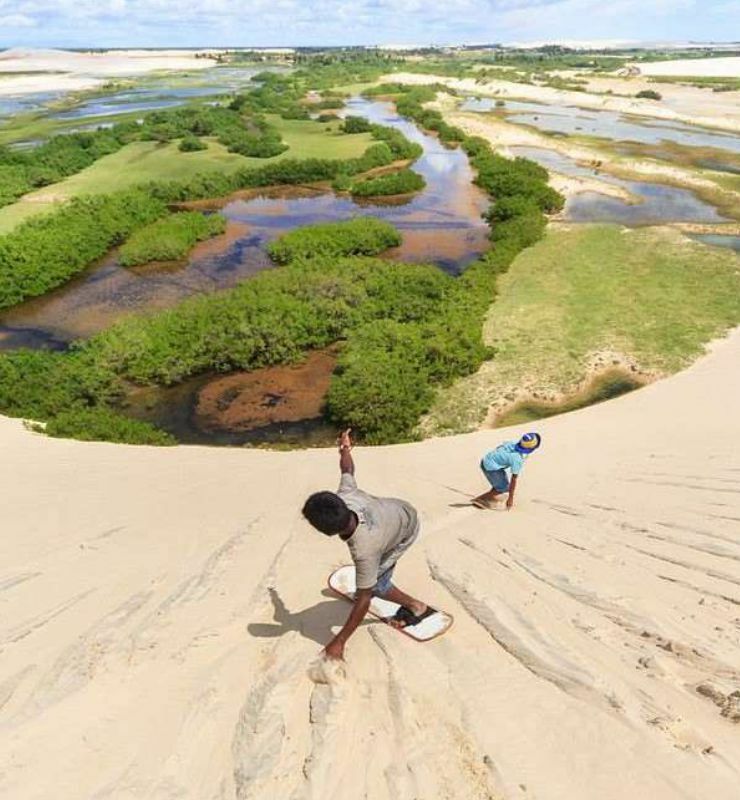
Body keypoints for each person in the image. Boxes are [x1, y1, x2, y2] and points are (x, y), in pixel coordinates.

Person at [302, 428, 433, 660]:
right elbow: (347, 468)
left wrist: (338, 642)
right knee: (367, 582)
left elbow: (364, 599)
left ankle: (416, 606)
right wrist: (344, 448)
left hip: (405, 530)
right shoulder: (345, 496)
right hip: (398, 509)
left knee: (377, 586)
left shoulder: (365, 551)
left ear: (328, 532)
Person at [472, 432, 541, 511]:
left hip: (487, 460)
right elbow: (514, 479)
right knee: (504, 488)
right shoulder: (517, 459)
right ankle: (480, 499)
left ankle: (490, 497)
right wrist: (510, 498)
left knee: (500, 483)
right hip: (491, 467)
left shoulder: (512, 443)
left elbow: (499, 447)